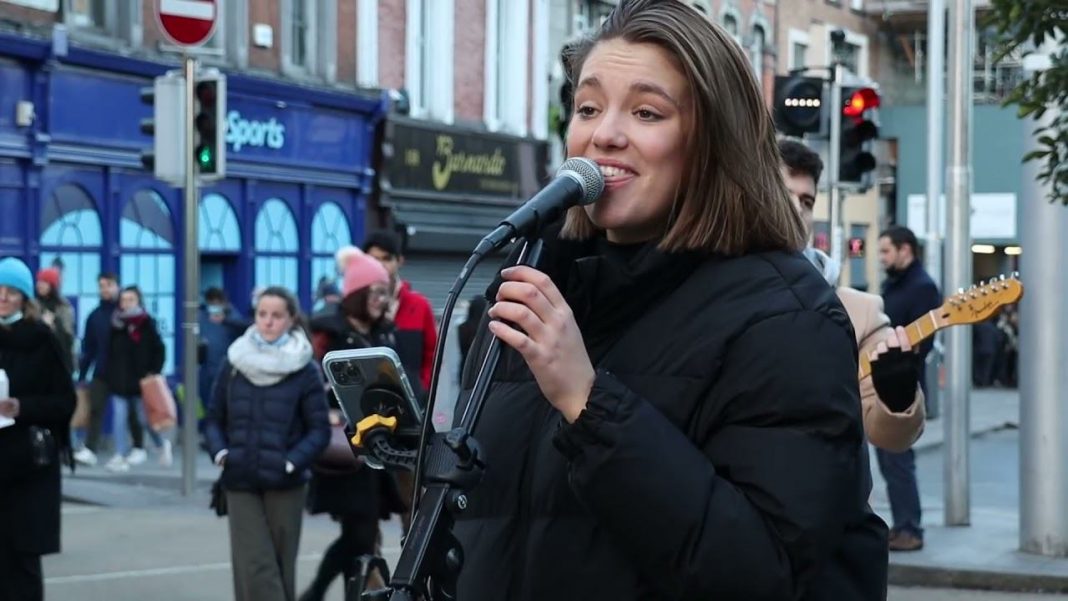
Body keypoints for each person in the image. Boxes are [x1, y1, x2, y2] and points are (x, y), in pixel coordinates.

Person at [451, 2, 886, 599]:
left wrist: (588, 401)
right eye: (587, 107)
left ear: (714, 142)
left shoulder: (788, 317)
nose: (603, 133)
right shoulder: (535, 280)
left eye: (647, 111)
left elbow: (761, 572)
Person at [778, 139, 926, 452]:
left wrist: (897, 396)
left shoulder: (857, 310)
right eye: (782, 193)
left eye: (806, 201)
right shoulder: (706, 284)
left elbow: (892, 436)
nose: (795, 208)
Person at [204, 286, 330, 601]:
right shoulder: (235, 360)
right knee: (254, 563)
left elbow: (319, 431)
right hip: (240, 478)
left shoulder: (305, 368)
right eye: (262, 314)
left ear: (291, 319)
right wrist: (221, 454)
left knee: (280, 567)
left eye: (276, 316)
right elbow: (213, 418)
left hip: (285, 482)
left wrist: (291, 461)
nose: (268, 322)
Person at [302, 250, 405, 601]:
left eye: (385, 292)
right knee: (359, 535)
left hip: (377, 447)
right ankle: (316, 592)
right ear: (357, 294)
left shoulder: (383, 333)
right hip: (345, 449)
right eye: (375, 292)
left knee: (360, 536)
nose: (381, 301)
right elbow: (312, 385)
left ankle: (331, 594)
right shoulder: (329, 334)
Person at [0, 257, 76, 600]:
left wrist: (22, 406)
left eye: (11, 292)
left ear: (25, 298)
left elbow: (65, 402)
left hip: (28, 467)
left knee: (22, 563)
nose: (2, 298)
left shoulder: (43, 340)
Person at [878, 224, 943, 552]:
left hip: (902, 390)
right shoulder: (895, 284)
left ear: (906, 250)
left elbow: (923, 344)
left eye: (886, 251)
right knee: (890, 464)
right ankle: (901, 524)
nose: (881, 257)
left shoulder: (922, 287)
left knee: (899, 461)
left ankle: (910, 529)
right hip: (880, 386)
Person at [362, 231, 437, 396]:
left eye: (386, 258)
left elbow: (432, 356)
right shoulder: (357, 306)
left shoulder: (420, 305)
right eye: (374, 259)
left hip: (413, 402)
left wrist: (422, 389)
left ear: (399, 261)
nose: (380, 265)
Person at [103, 286, 170, 472]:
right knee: (119, 417)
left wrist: (153, 371)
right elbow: (109, 351)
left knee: (144, 419)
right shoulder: (116, 324)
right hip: (119, 379)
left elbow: (159, 349)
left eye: (131, 299)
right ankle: (120, 455)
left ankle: (161, 444)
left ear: (138, 301)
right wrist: (109, 373)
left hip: (141, 380)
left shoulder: (146, 322)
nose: (126, 303)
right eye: (124, 300)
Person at [73, 273, 120, 467]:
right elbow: (89, 348)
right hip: (101, 371)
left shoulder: (125, 312)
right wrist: (82, 375)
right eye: (101, 286)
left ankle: (156, 444)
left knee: (127, 413)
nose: (105, 289)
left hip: (124, 373)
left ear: (117, 286)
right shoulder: (95, 316)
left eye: (108, 285)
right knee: (95, 409)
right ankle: (91, 449)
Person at [198, 287, 244, 423]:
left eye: (217, 303)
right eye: (211, 303)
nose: (214, 307)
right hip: (206, 368)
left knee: (226, 403)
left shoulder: (233, 318)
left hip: (227, 368)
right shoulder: (201, 317)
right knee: (207, 401)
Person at [35, 267, 75, 373]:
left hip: (59, 360)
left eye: (44, 282)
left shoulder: (63, 307)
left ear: (52, 285)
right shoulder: (32, 305)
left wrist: (54, 327)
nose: (39, 285)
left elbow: (68, 337)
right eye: (39, 281)